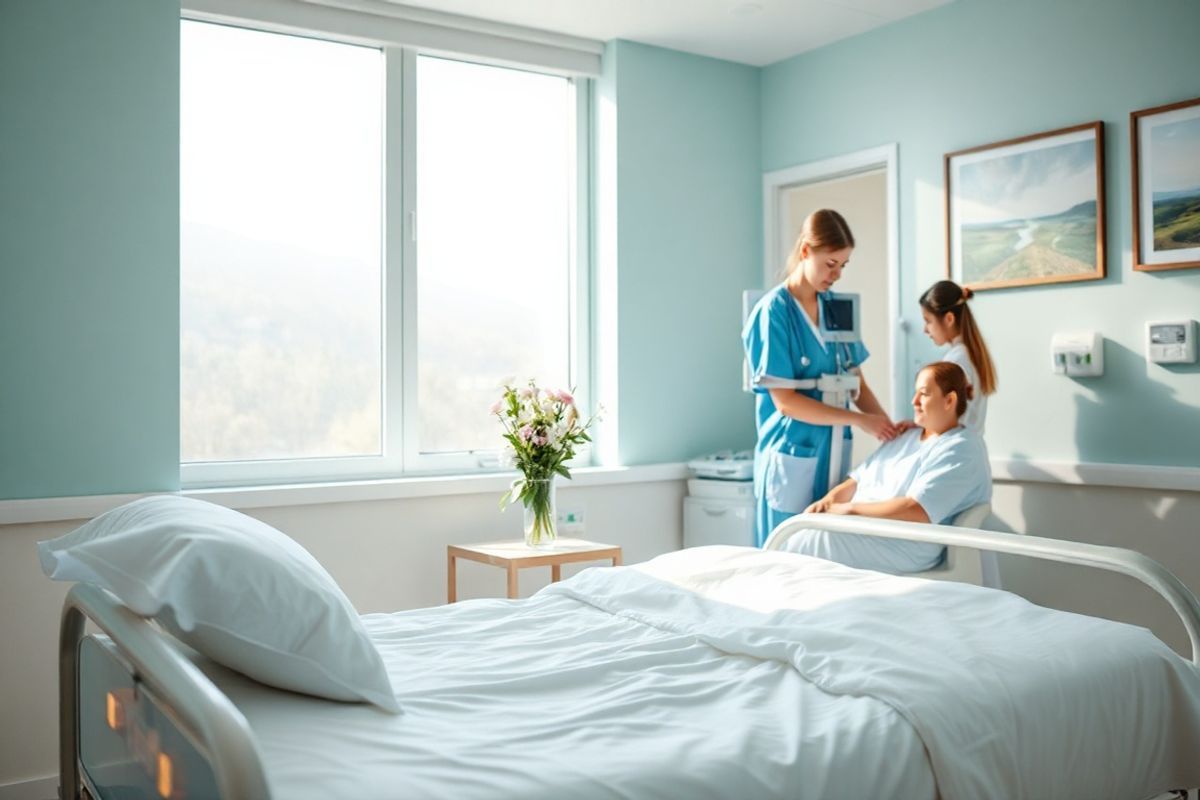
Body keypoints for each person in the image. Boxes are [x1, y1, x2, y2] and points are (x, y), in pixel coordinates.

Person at [742, 209, 898, 547]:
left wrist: (887, 427)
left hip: (833, 454)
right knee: (785, 557)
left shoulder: (836, 309)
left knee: (826, 556)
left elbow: (857, 382)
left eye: (843, 265)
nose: (837, 274)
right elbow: (785, 403)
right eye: (831, 264)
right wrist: (860, 420)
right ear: (805, 251)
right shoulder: (773, 313)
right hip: (791, 456)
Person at [780, 361, 992, 574]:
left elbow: (917, 510)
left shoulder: (961, 448)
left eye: (924, 394)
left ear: (949, 400)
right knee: (794, 533)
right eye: (915, 393)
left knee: (812, 540)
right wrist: (828, 502)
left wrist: (849, 511)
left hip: (903, 544)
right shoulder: (905, 436)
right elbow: (857, 480)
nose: (914, 401)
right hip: (865, 529)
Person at [918, 280, 997, 434]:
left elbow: (945, 420)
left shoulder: (956, 362)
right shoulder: (970, 354)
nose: (925, 330)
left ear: (949, 319)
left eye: (928, 321)